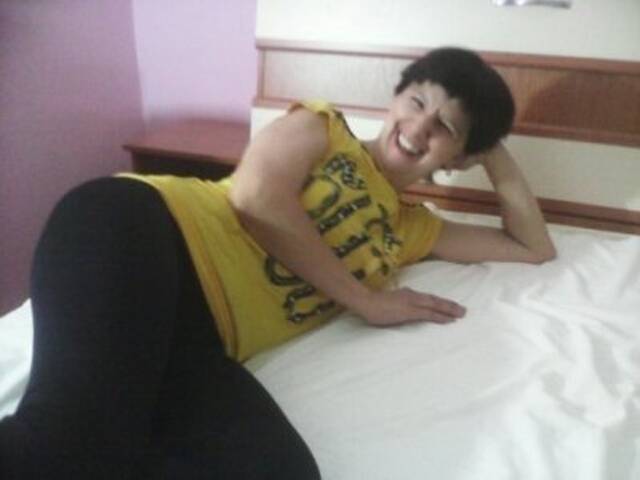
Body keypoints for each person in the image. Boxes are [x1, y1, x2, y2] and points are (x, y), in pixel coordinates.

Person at [0, 47, 555, 479]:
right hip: (144, 231)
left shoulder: (414, 229)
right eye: (417, 102)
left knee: (281, 474)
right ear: (395, 99)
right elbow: (256, 197)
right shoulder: (322, 127)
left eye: (446, 128)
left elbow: (533, 247)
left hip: (200, 335)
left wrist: (491, 150)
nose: (420, 127)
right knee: (68, 446)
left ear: (458, 157)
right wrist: (366, 301)